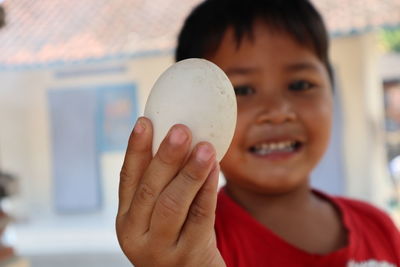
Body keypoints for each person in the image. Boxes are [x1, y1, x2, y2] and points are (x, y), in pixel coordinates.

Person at [116, 0, 400, 266]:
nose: (277, 111)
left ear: (332, 91)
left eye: (300, 85)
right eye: (242, 90)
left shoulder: (378, 227)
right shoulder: (188, 244)